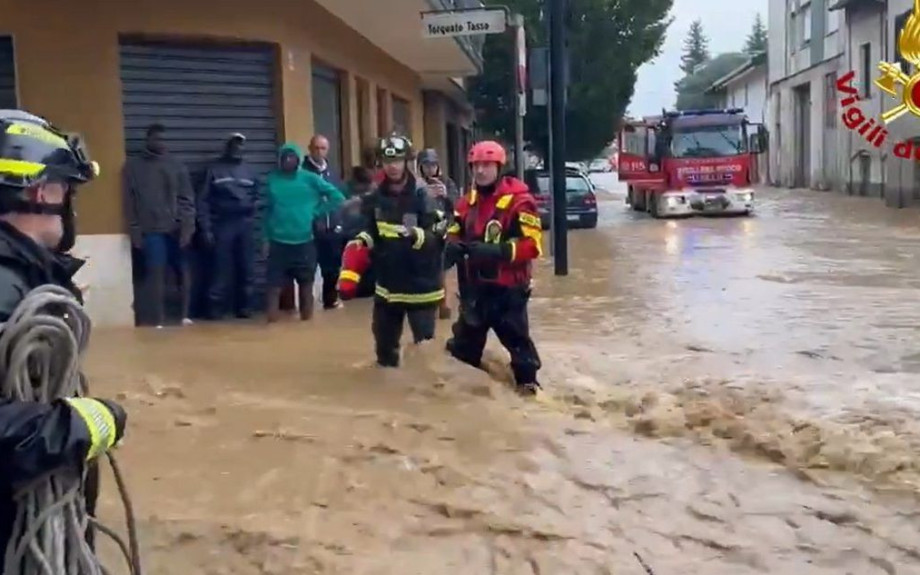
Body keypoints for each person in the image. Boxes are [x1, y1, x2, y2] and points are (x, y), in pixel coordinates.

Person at [0, 109, 127, 557]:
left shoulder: (24, 277)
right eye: (67, 188)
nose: (70, 203)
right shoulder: (5, 285)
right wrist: (82, 422)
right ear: (40, 190)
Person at [337, 135, 447, 367]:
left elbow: (440, 235)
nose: (393, 166)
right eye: (388, 162)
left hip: (422, 288)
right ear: (380, 164)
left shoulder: (423, 195)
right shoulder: (374, 198)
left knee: (426, 356)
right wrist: (361, 243)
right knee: (384, 354)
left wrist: (417, 236)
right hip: (388, 287)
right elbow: (370, 231)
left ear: (406, 161)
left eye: (397, 160)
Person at [444, 141, 543, 396]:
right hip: (474, 291)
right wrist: (451, 248)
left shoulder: (520, 202)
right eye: (475, 166)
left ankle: (528, 390)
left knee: (520, 348)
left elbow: (533, 245)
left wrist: (499, 252)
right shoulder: (466, 204)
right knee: (462, 350)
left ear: (499, 168)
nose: (480, 171)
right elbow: (454, 233)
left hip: (507, 291)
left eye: (486, 165)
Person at [122, 123, 196, 328]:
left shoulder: (177, 166)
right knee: (155, 273)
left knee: (183, 272)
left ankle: (184, 316)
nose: (160, 143)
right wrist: (135, 230)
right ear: (148, 140)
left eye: (163, 139)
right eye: (156, 139)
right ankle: (156, 319)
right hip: (150, 230)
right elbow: (130, 202)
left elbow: (187, 199)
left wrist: (187, 227)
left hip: (176, 229)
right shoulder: (133, 167)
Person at [264, 142, 345, 322]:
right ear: (279, 159)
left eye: (292, 158)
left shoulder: (309, 178)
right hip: (278, 242)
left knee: (306, 284)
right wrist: (265, 238)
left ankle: (306, 322)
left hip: (304, 241)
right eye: (285, 158)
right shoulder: (272, 180)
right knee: (273, 286)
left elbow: (337, 197)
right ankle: (271, 326)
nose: (288, 161)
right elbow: (265, 211)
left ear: (298, 160)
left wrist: (316, 212)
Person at [197, 133, 259, 319]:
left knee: (247, 268)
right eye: (234, 145)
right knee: (220, 268)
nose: (238, 149)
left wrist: (253, 217)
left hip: (245, 224)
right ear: (228, 147)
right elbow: (203, 200)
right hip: (222, 223)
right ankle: (215, 310)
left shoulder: (250, 172)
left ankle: (245, 308)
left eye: (241, 146)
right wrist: (206, 228)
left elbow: (257, 198)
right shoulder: (214, 170)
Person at [302, 135, 345, 310]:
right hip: (310, 228)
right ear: (310, 149)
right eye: (316, 148)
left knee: (332, 267)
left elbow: (340, 197)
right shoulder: (302, 173)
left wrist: (340, 222)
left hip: (332, 228)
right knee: (307, 268)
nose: (319, 152)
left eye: (323, 148)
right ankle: (306, 306)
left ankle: (330, 300)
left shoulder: (332, 173)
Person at [417, 148, 459, 320]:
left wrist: (446, 195)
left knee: (442, 268)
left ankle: (443, 305)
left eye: (433, 165)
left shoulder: (447, 183)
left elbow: (459, 207)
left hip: (444, 231)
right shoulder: (416, 185)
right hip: (423, 232)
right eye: (426, 165)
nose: (430, 169)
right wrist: (423, 195)